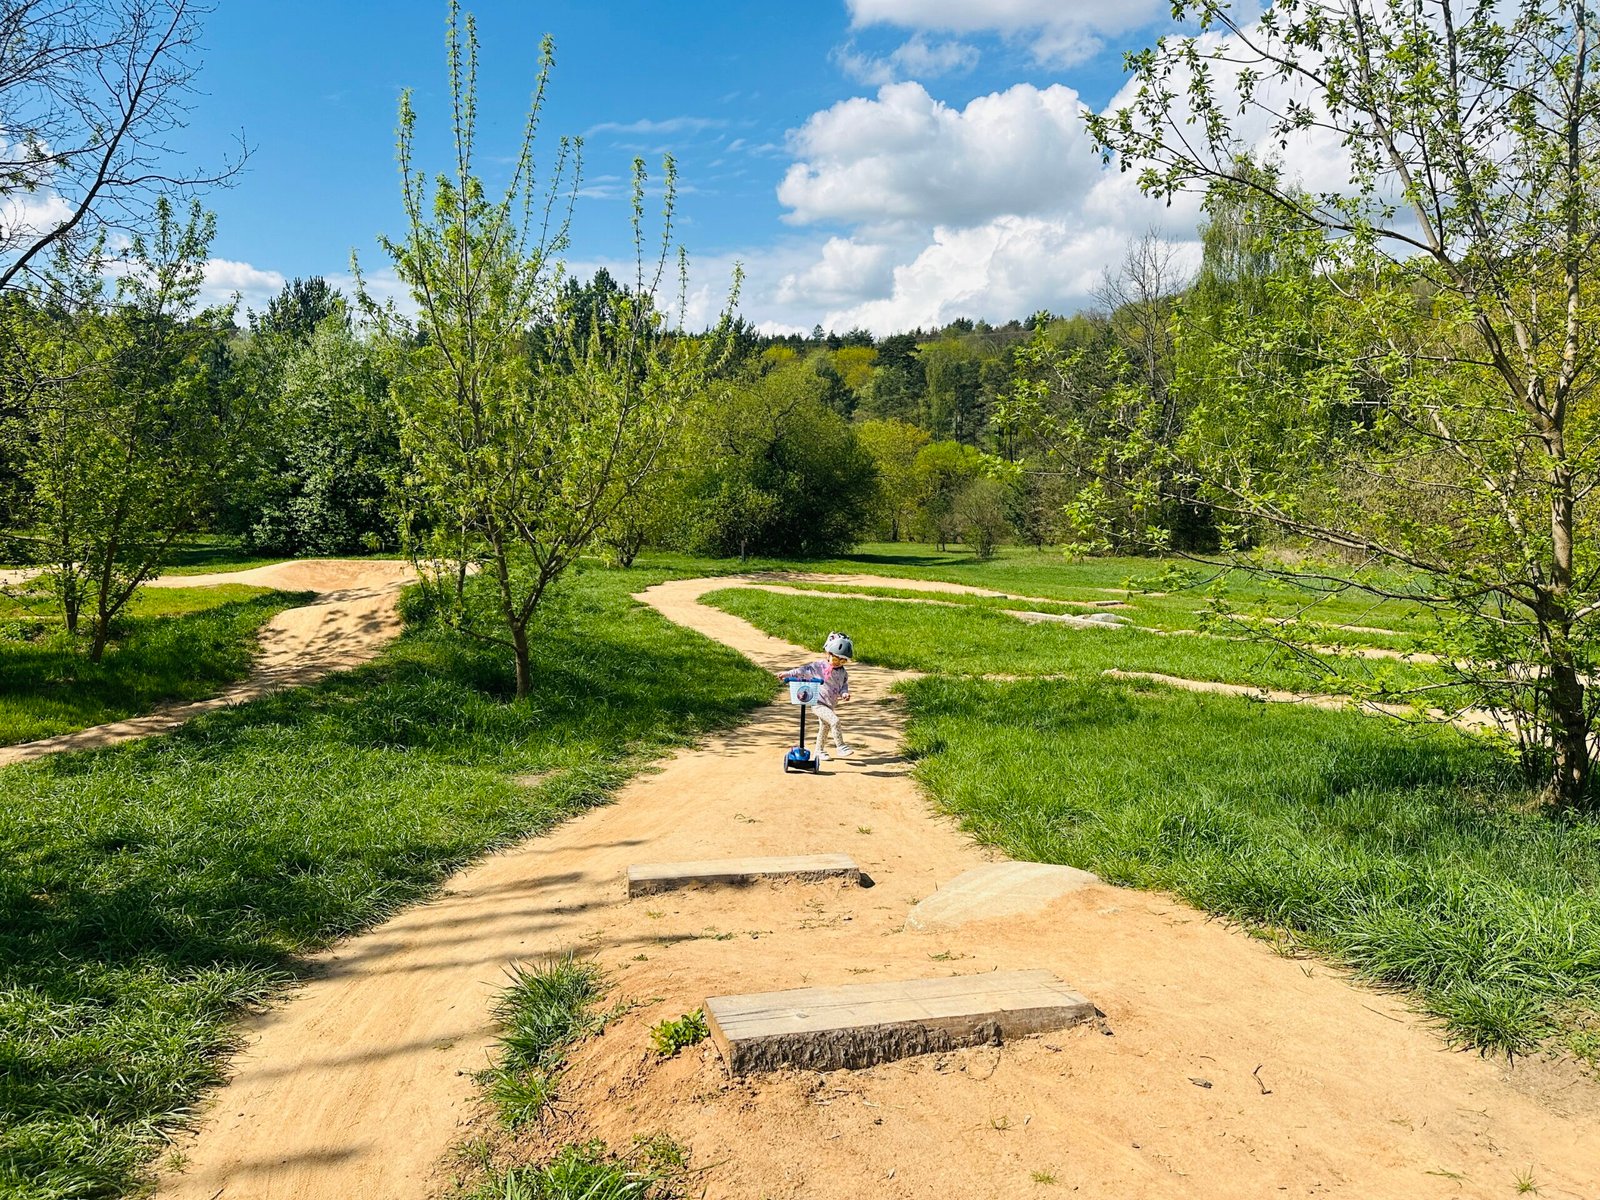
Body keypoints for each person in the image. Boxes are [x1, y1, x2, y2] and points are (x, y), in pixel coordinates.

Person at [778, 631, 855, 760]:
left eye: (842, 661)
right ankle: (841, 746)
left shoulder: (843, 672)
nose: (837, 663)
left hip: (830, 704)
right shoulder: (818, 666)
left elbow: (843, 686)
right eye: (835, 658)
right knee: (835, 721)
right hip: (818, 703)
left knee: (824, 728)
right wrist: (788, 674)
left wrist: (844, 693)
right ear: (827, 653)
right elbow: (802, 671)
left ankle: (819, 751)